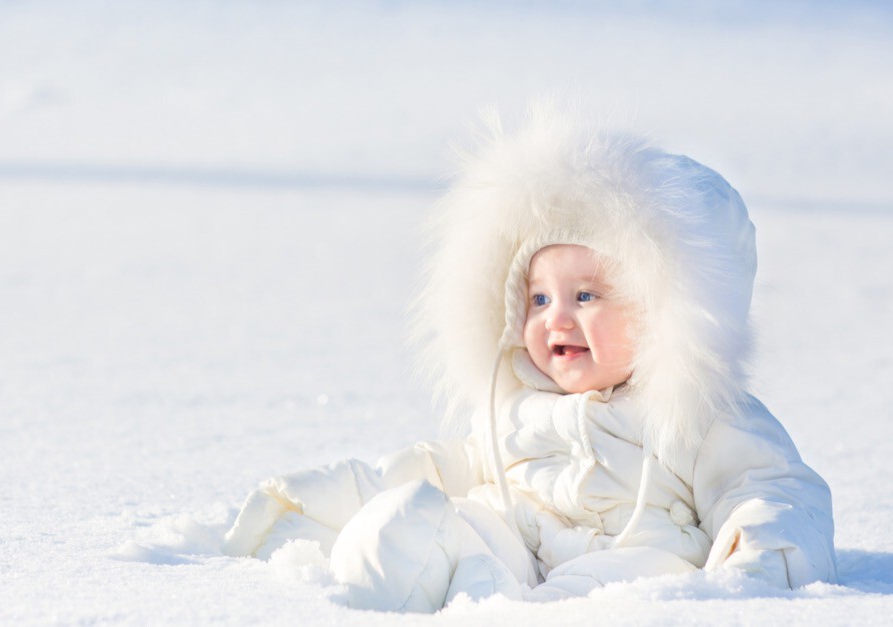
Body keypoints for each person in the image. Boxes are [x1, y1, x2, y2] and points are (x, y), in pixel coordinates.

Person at [221, 105, 837, 612]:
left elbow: (773, 490)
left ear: (666, 313)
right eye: (538, 297)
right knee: (417, 518)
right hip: (512, 557)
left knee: (601, 593)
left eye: (586, 296)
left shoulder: (701, 417)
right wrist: (321, 501)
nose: (556, 319)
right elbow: (438, 469)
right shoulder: (514, 407)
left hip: (637, 574)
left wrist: (757, 555)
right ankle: (363, 608)